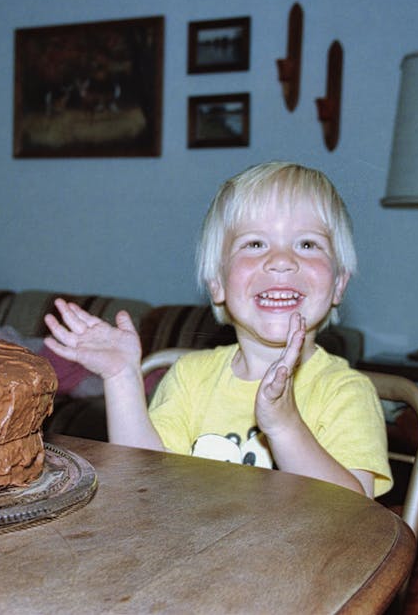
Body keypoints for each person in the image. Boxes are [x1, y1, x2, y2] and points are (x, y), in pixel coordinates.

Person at [44, 162, 391, 498]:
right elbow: (141, 484)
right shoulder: (190, 378)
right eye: (255, 243)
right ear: (217, 284)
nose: (282, 260)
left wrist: (285, 426)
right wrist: (121, 378)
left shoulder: (347, 392)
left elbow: (353, 517)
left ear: (339, 285)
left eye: (307, 244)